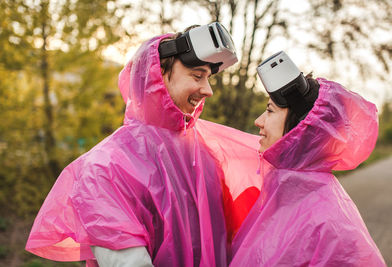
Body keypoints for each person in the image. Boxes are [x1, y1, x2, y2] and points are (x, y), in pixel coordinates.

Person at [25, 22, 262, 266]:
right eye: (197, 75)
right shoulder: (104, 169)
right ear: (156, 74)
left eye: (208, 78)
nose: (208, 90)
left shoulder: (206, 155)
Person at [228, 51, 386, 266]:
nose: (258, 121)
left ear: (301, 126)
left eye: (270, 111)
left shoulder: (327, 224)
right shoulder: (283, 193)